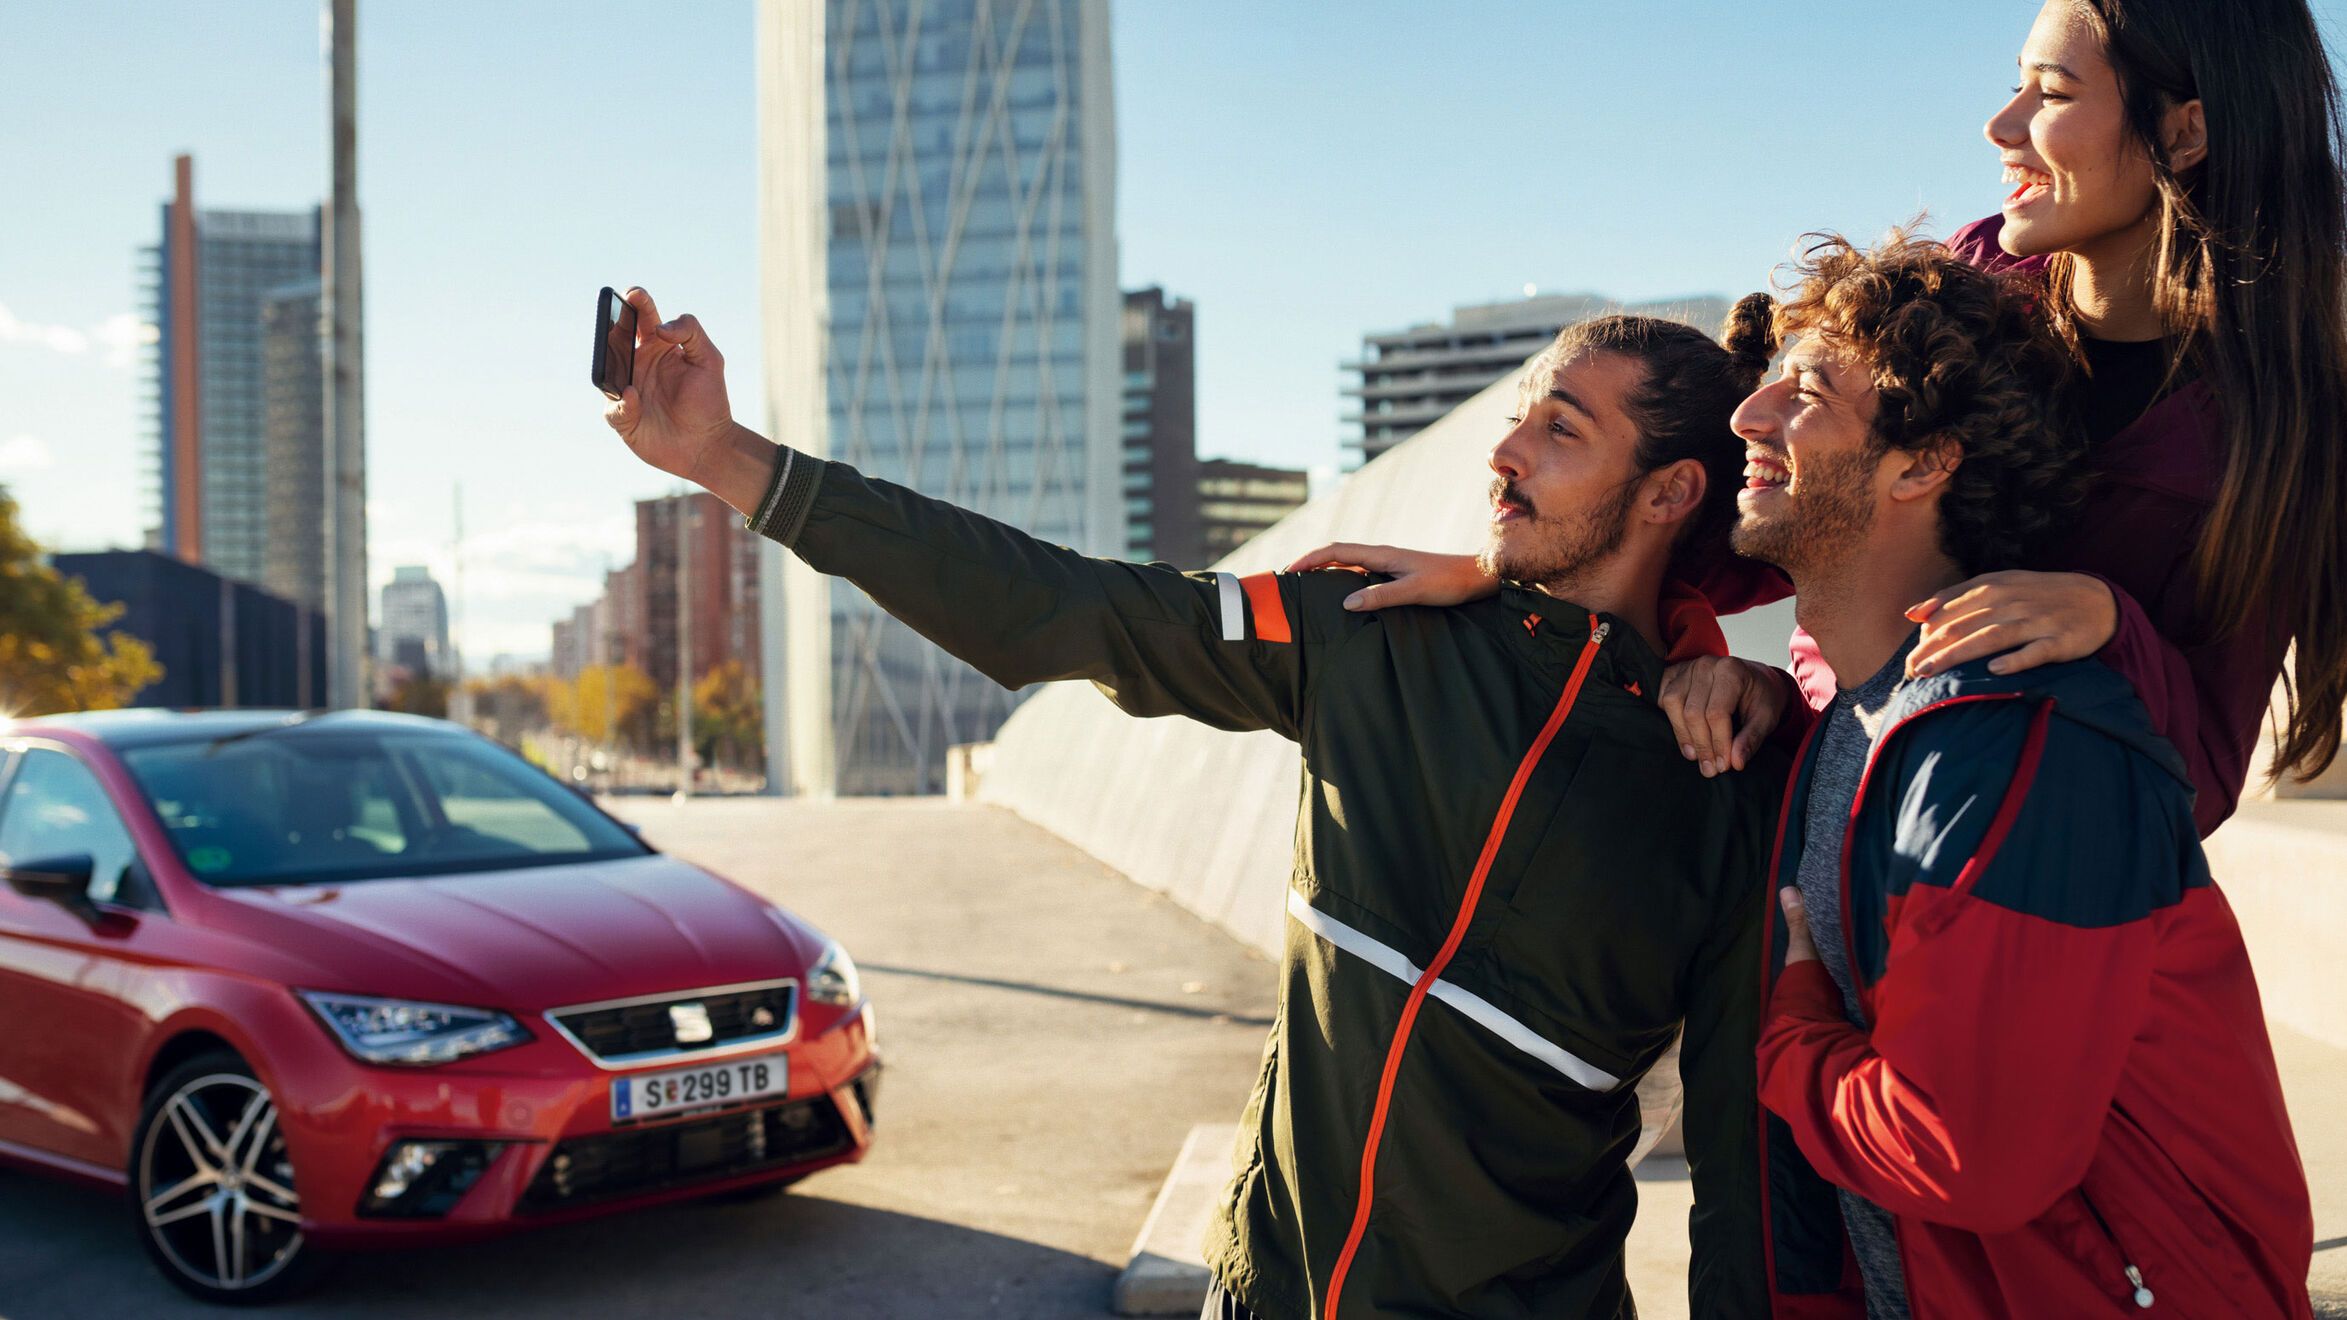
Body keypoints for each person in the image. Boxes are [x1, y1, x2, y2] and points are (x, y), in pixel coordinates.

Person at [602, 291, 1783, 1318]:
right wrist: (731, 461)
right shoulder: (1371, 635)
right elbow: (1066, 605)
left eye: (1559, 428)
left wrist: (1733, 674)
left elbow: (1739, 1170)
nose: (1505, 450)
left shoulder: (1718, 778)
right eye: (1519, 413)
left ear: (1671, 489)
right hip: (1265, 1293)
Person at [1290, 0, 2347, 837]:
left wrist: (2109, 626)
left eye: (2053, 92)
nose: (2001, 125)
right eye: (2013, 84)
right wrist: (1516, 564)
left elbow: (2200, 777)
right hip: (1839, 787)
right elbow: (1769, 495)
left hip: (2022, 875)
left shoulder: (2273, 432)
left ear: (2186, 127)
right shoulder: (1971, 287)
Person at [1735, 230, 2311, 1318]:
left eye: (1803, 391)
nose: (1748, 417)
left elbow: (1967, 1154)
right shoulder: (1847, 727)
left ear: (1922, 461)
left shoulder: (2018, 746)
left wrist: (1789, 1031)